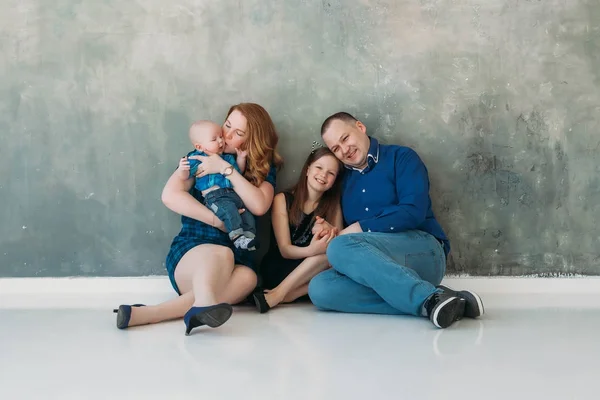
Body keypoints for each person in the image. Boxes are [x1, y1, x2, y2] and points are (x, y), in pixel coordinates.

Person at [113, 103, 283, 335]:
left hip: (236, 260)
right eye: (227, 125)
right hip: (193, 252)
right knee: (221, 253)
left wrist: (226, 168)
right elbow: (170, 195)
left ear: (252, 140)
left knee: (249, 277)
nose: (227, 135)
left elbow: (260, 205)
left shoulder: (262, 167)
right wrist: (217, 221)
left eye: (238, 133)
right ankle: (200, 304)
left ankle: (149, 314)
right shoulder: (200, 156)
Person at [307, 112, 484, 329]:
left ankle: (427, 299)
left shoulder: (402, 158)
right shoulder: (343, 182)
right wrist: (328, 229)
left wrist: (359, 227)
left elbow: (413, 212)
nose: (344, 150)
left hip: (423, 252)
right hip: (376, 267)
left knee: (339, 247)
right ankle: (437, 299)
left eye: (345, 139)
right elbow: (350, 246)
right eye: (336, 148)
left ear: (360, 127)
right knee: (320, 289)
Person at [252, 147, 343, 313]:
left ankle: (286, 295)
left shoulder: (333, 206)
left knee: (336, 262)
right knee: (323, 257)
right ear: (308, 169)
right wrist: (311, 250)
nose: (323, 175)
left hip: (310, 275)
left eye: (331, 173)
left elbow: (338, 249)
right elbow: (285, 250)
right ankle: (280, 292)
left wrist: (328, 231)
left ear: (335, 181)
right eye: (319, 167)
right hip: (280, 268)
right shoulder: (283, 199)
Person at [183, 120, 257, 251]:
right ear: (199, 147)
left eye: (220, 137)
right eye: (214, 139)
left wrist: (241, 158)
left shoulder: (227, 158)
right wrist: (182, 170)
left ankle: (249, 239)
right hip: (214, 197)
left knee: (247, 216)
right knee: (230, 212)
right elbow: (187, 175)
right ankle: (238, 238)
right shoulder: (197, 158)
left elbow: (237, 173)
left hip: (232, 195)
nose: (221, 141)